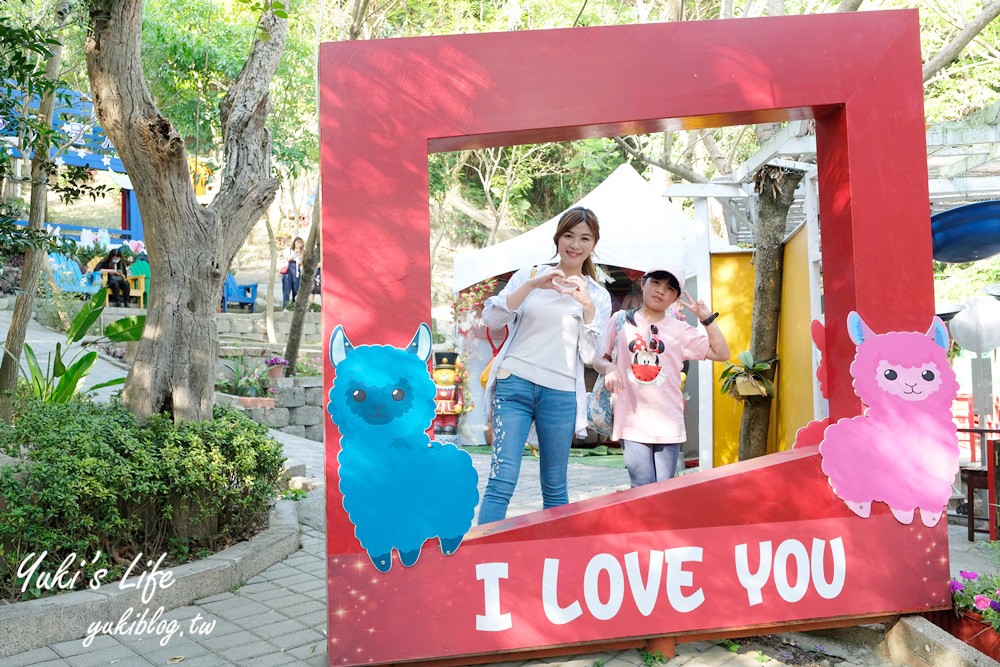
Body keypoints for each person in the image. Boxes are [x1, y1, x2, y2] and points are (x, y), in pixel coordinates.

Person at [478, 207, 611, 524]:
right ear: (557, 237)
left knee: (555, 488)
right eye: (568, 235)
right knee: (502, 479)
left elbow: (591, 355)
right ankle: (480, 560)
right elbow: (493, 318)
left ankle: (556, 563)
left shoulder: (597, 295)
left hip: (561, 394)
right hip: (514, 385)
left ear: (593, 244)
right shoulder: (529, 274)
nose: (575, 244)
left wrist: (588, 307)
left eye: (584, 238)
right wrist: (534, 285)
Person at [594, 263, 730, 487]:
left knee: (663, 490)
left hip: (668, 421)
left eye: (669, 288)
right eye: (656, 282)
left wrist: (706, 319)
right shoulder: (620, 321)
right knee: (641, 485)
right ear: (643, 283)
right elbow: (600, 358)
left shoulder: (680, 329)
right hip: (631, 418)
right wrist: (610, 368)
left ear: (675, 297)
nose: (660, 290)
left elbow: (722, 353)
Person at [281, 237, 304, 307]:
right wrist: (294, 253)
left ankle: (294, 306)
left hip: (296, 271)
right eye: (297, 242)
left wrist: (300, 257)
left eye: (300, 243)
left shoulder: (302, 252)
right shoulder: (289, 250)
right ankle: (285, 306)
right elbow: (287, 259)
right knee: (286, 290)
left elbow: (300, 263)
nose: (298, 244)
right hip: (288, 271)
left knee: (296, 289)